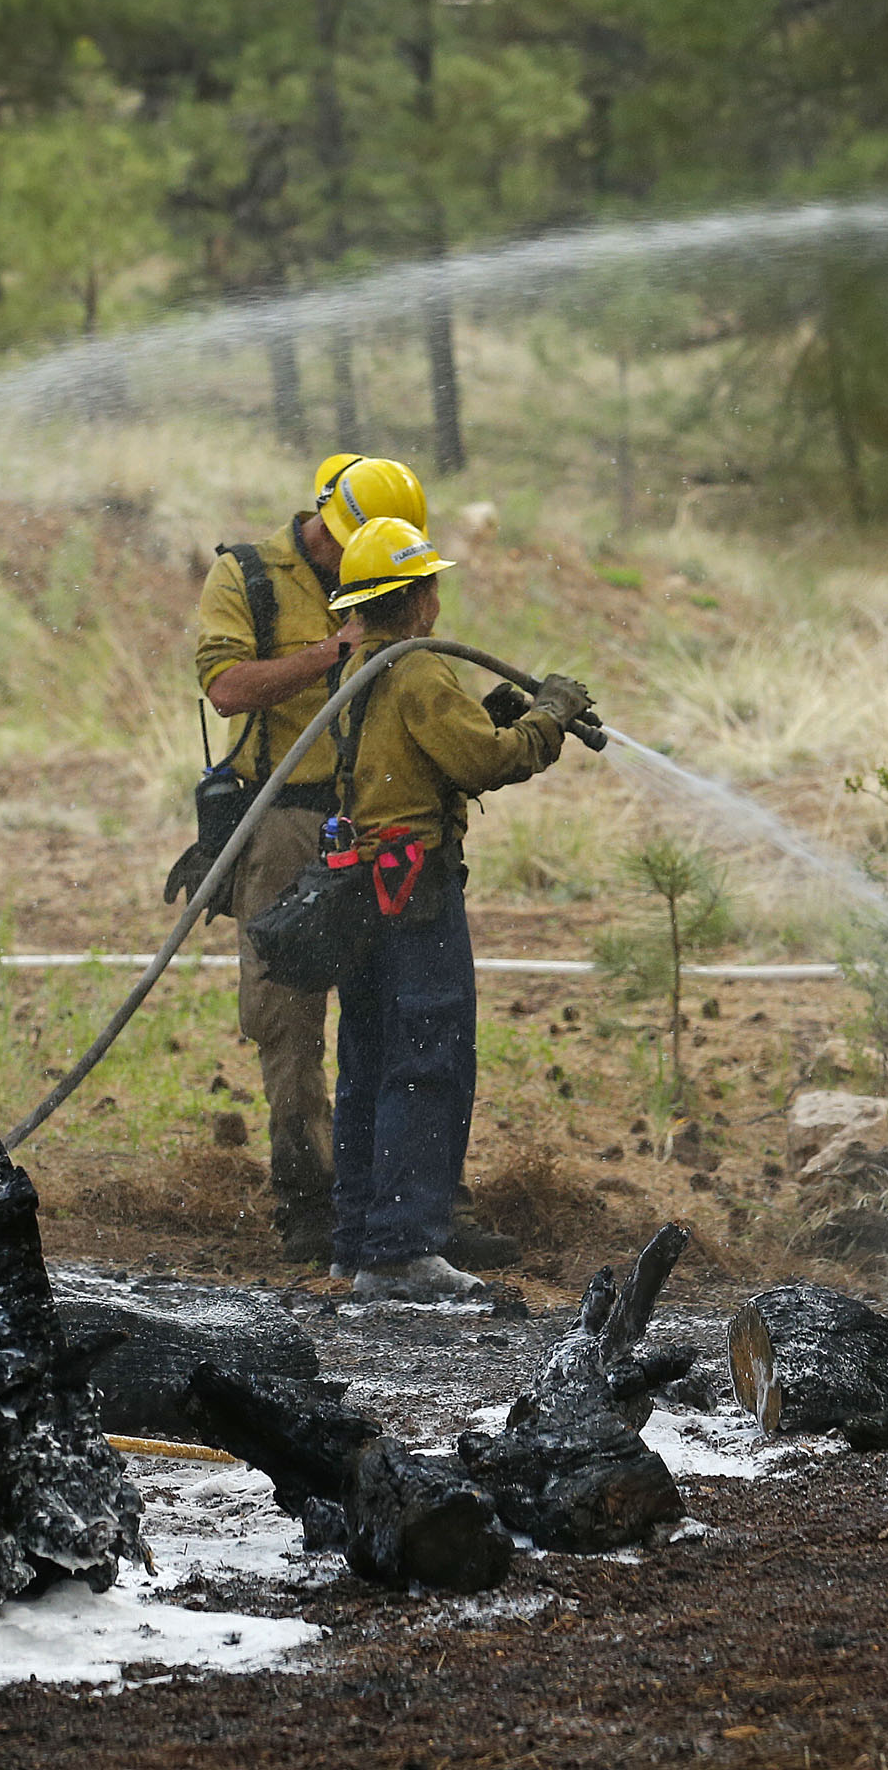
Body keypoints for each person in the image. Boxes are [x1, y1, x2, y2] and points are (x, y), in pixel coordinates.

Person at [320, 514, 592, 1300]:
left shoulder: (360, 670)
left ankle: (357, 1242)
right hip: (415, 890)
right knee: (429, 1055)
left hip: (361, 891)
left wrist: (494, 713)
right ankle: (402, 1250)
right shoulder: (418, 672)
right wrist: (547, 720)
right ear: (421, 597)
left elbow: (423, 758)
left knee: (368, 1058)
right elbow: (488, 761)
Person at [187, 454, 423, 1262]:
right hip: (285, 816)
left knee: (404, 1007)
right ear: (325, 522)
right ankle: (308, 1200)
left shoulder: (390, 565)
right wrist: (331, 652)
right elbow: (227, 688)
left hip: (381, 820)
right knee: (288, 1015)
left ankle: (407, 1200)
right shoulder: (245, 576)